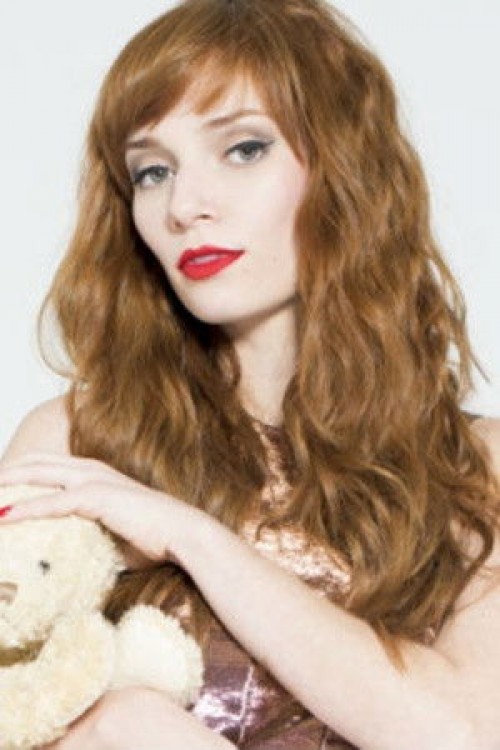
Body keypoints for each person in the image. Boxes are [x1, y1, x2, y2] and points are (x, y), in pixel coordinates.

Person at [1, 0, 500, 747]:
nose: (184, 206)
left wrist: (192, 538)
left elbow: (461, 734)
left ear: (342, 170)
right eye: (153, 171)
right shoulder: (78, 445)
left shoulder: (476, 468)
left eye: (242, 149)